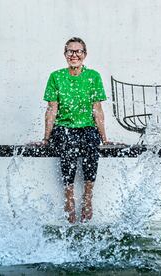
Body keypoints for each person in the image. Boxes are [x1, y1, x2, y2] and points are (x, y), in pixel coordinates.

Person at [41, 37, 109, 224]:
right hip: (64, 127)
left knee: (90, 142)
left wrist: (105, 138)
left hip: (86, 127)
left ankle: (87, 196)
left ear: (84, 55)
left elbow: (97, 109)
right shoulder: (56, 76)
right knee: (68, 143)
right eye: (70, 51)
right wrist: (45, 139)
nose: (74, 55)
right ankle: (69, 197)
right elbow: (51, 109)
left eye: (78, 51)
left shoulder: (93, 76)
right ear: (65, 55)